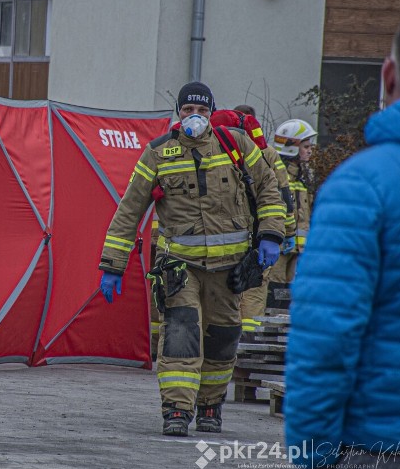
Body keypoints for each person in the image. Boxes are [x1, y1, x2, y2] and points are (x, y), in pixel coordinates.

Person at [98, 82, 286, 437]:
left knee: (222, 340)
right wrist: (113, 264)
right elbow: (129, 211)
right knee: (180, 338)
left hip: (229, 271)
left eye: (201, 111)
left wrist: (271, 234)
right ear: (178, 114)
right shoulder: (158, 154)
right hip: (180, 269)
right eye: (188, 111)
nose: (194, 118)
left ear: (211, 112)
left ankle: (210, 406)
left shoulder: (235, 144)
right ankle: (177, 411)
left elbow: (267, 187)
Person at [285, 16, 400, 469]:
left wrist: (313, 453)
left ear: (389, 75)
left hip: (382, 444)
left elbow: (326, 336)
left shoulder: (362, 185)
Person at [209, 109, 296, 333]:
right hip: (258, 235)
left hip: (227, 238)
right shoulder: (266, 154)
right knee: (252, 294)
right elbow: (282, 196)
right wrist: (287, 232)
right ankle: (245, 350)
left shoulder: (212, 150)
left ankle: (232, 350)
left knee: (225, 297)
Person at [266, 118, 316, 311]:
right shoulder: (277, 177)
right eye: (305, 146)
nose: (310, 150)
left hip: (298, 251)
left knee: (290, 297)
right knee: (274, 294)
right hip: (278, 249)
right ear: (291, 147)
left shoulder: (303, 179)